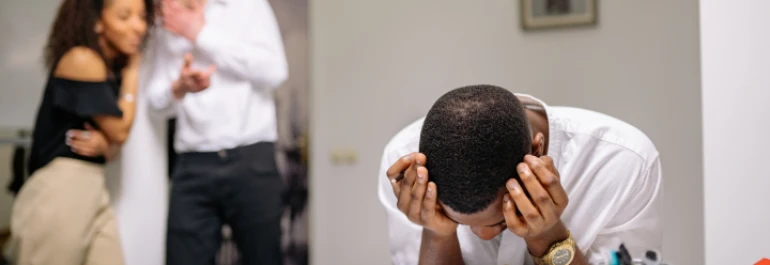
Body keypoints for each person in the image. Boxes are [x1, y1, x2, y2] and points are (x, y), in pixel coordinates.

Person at [378, 85, 662, 265]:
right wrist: (438, 234)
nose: (483, 235)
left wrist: (548, 236)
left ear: (536, 151)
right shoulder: (409, 176)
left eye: (499, 221)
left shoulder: (622, 164)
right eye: (456, 219)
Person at [5, 0, 152, 264]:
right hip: (61, 188)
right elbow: (120, 131)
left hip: (93, 185)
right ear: (96, 21)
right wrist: (133, 71)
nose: (139, 27)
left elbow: (114, 145)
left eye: (142, 17)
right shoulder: (82, 59)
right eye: (124, 16)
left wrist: (105, 146)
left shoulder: (107, 70)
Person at [145, 0, 288, 264]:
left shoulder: (250, 6)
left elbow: (275, 71)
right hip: (192, 164)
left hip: (251, 159)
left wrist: (200, 34)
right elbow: (154, 101)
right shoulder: (169, 17)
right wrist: (178, 88)